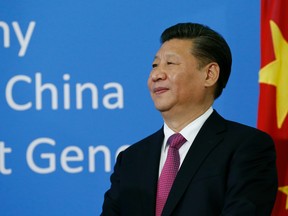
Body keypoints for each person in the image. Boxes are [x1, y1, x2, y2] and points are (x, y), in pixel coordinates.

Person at [101, 22, 278, 216]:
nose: (156, 75)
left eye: (170, 63)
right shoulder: (131, 159)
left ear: (209, 75)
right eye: (154, 65)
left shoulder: (247, 147)